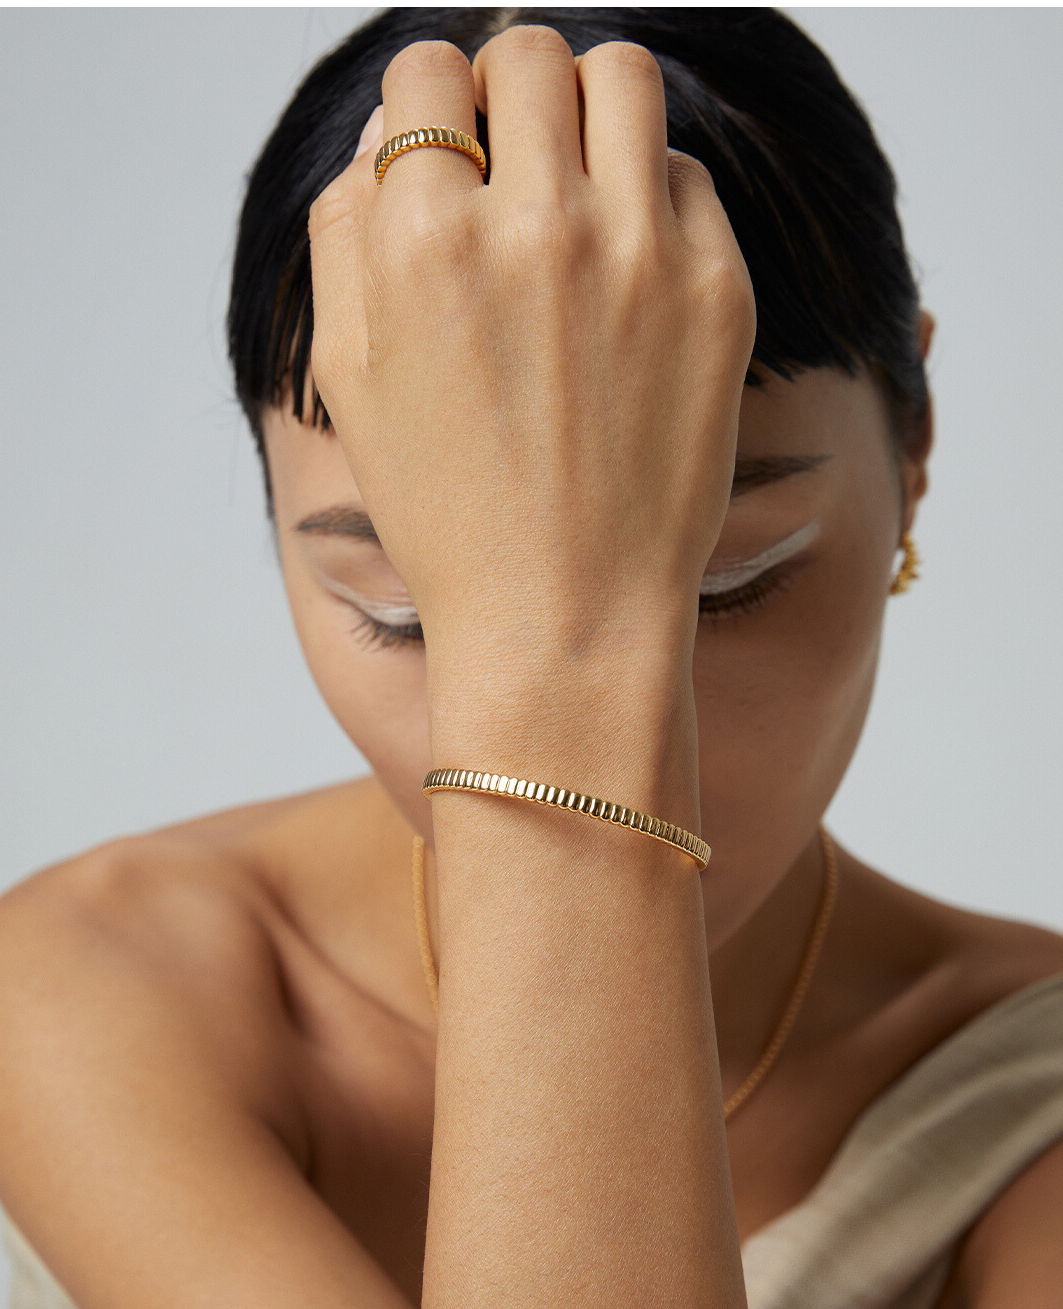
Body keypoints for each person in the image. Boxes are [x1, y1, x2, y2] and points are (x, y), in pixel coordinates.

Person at [0, 7, 1061, 1308]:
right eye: (400, 610)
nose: (633, 714)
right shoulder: (114, 980)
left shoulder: (1027, 1093)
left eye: (721, 581)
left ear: (915, 446)